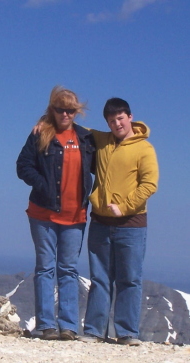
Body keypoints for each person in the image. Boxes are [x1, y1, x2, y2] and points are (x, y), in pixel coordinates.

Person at [77, 98, 159, 346]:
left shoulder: (145, 149)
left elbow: (149, 185)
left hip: (132, 224)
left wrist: (123, 206)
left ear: (130, 117)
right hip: (100, 222)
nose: (117, 124)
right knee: (100, 279)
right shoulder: (102, 140)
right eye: (112, 121)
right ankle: (94, 331)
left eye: (120, 118)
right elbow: (75, 129)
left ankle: (127, 333)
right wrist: (46, 122)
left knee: (129, 279)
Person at [16, 86, 95, 340]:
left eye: (70, 110)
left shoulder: (86, 139)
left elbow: (110, 146)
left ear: (76, 112)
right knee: (45, 268)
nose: (65, 114)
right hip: (43, 214)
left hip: (75, 216)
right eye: (60, 109)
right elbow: (23, 166)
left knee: (69, 269)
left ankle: (69, 327)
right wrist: (43, 185)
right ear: (52, 110)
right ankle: (47, 325)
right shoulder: (41, 135)